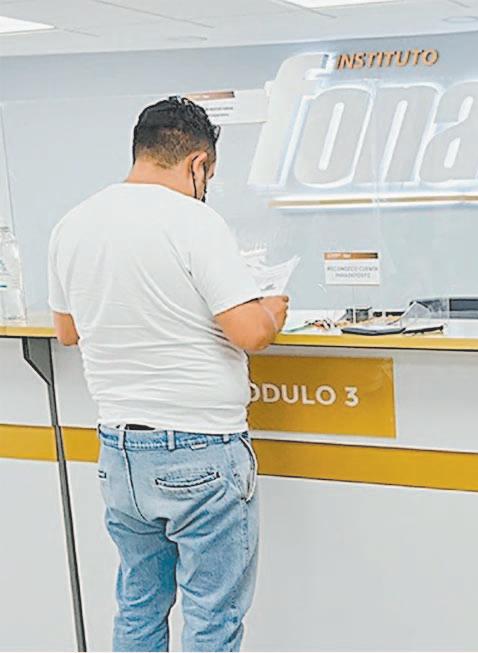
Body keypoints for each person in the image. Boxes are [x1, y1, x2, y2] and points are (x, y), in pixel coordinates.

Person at [48, 96, 288, 652]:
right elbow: (251, 332)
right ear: (198, 163)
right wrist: (273, 309)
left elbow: (67, 330)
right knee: (212, 617)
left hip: (121, 454)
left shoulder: (73, 223)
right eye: (209, 177)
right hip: (201, 449)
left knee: (139, 605)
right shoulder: (194, 221)